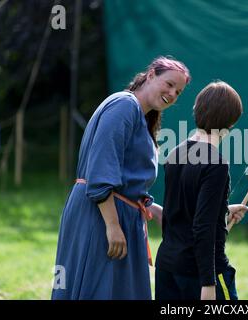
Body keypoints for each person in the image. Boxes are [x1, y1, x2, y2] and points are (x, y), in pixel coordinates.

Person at [51, 56, 191, 300]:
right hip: (100, 216)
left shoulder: (142, 117)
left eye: (178, 91)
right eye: (168, 84)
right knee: (98, 291)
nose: (172, 93)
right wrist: (113, 226)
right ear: (150, 76)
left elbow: (130, 183)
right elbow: (100, 169)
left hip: (122, 217)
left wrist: (157, 212)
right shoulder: (124, 106)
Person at [155, 81, 248, 300]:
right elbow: (202, 227)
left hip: (168, 267)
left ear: (197, 110)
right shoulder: (216, 163)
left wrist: (222, 211)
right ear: (231, 123)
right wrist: (208, 283)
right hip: (200, 275)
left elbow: (181, 214)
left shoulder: (175, 153)